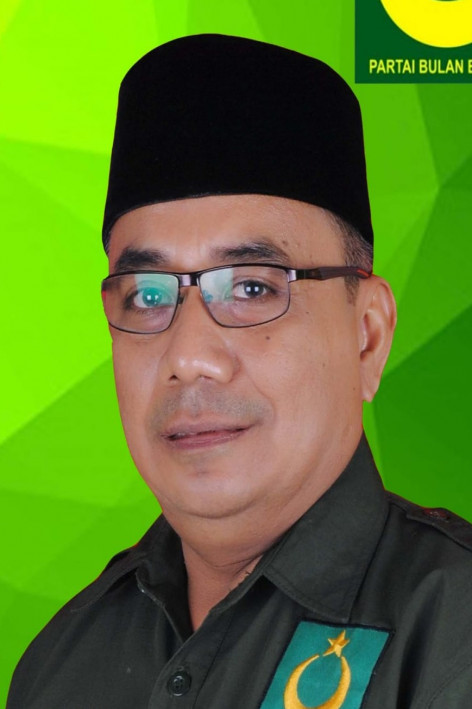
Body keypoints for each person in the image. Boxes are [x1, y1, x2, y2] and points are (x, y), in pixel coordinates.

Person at [7, 34, 472, 709]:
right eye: (148, 295)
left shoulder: (452, 634)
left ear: (367, 336)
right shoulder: (63, 662)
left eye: (252, 287)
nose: (188, 355)